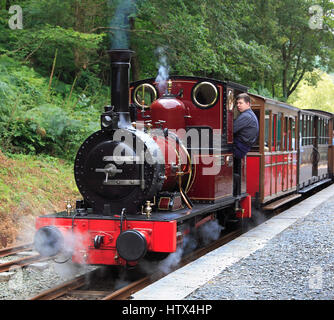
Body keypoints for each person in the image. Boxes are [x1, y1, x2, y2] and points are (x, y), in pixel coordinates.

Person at [233, 93, 259, 195]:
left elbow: (232, 130)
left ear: (248, 104)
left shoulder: (246, 116)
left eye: (240, 103)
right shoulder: (249, 115)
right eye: (237, 103)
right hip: (242, 147)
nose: (238, 105)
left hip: (238, 148)